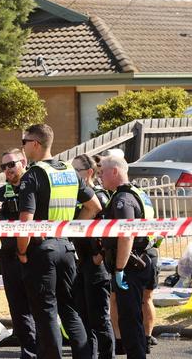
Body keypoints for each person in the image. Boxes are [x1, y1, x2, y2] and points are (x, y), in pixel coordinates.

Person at [16, 124, 101, 359]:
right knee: (69, 309)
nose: (23, 147)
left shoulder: (33, 174)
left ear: (35, 143)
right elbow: (94, 207)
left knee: (46, 313)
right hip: (66, 247)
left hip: (42, 250)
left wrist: (22, 251)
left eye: (24, 142)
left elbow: (26, 221)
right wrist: (70, 229)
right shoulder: (68, 170)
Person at [99, 155, 155, 359]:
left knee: (129, 320)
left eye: (102, 171)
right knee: (133, 318)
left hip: (131, 265)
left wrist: (120, 268)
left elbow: (126, 234)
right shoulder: (138, 193)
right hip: (143, 259)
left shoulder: (123, 199)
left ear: (114, 171)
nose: (99, 177)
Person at [0, 148, 37, 359]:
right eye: (4, 166)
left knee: (35, 304)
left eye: (11, 164)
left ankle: (36, 348)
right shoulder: (0, 192)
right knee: (17, 305)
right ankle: (26, 346)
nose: (7, 170)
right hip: (9, 255)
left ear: (24, 162)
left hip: (32, 254)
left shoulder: (33, 186)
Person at [71, 154, 114, 359]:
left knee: (99, 319)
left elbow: (109, 231)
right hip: (78, 263)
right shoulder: (75, 197)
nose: (72, 175)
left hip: (95, 265)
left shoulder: (100, 196)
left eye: (75, 171)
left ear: (88, 173)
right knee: (82, 317)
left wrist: (100, 255)